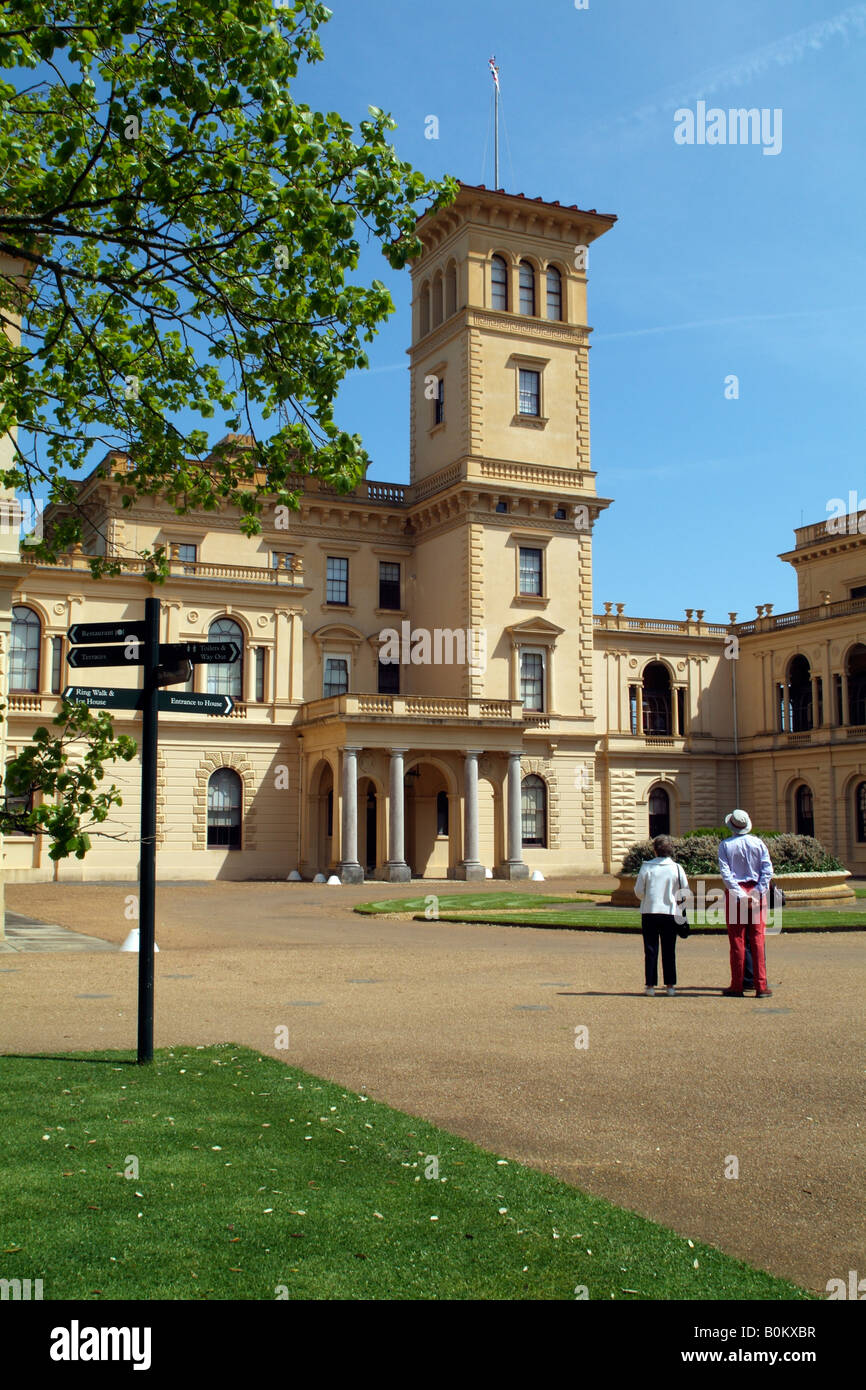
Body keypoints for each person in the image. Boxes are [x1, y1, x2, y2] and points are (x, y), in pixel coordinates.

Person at [717, 809, 773, 998]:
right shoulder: (758, 843)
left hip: (736, 893)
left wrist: (741, 895)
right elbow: (767, 869)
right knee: (757, 940)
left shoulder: (725, 845)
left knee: (737, 940)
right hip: (757, 891)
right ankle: (761, 985)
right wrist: (757, 891)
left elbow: (726, 874)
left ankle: (737, 984)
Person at [634, 835, 688, 996]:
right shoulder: (677, 868)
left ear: (655, 850)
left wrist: (648, 898)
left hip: (650, 911)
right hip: (670, 912)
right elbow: (684, 890)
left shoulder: (647, 867)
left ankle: (650, 985)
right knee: (669, 950)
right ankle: (670, 986)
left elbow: (638, 891)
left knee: (651, 949)